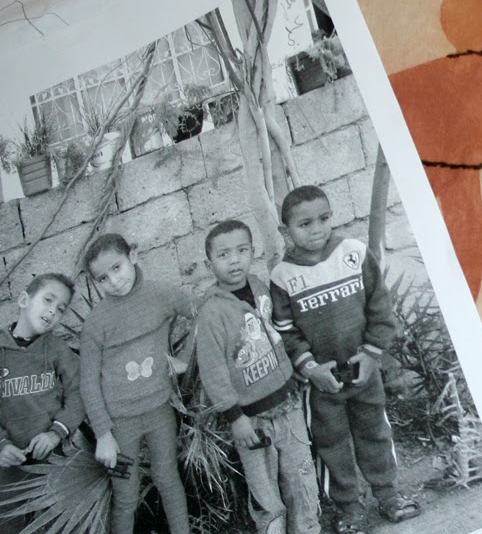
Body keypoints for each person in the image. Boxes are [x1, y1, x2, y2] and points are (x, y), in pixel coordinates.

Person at [269, 185, 418, 533]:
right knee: (331, 444)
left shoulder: (354, 253)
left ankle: (388, 494)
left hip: (364, 371)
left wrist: (371, 354)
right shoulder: (282, 276)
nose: (317, 229)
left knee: (375, 432)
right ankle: (349, 507)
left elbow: (379, 307)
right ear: (285, 231)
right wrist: (310, 368)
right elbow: (285, 331)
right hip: (323, 382)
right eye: (305, 224)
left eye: (324, 219)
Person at [389, 0, 482, 300]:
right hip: (443, 166)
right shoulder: (436, 68)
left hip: (463, 168)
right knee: (460, 234)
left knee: (468, 237)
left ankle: (466, 298)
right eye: (453, 23)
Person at [194, 219, 320, 534]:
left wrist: (291, 372)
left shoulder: (260, 287)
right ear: (210, 265)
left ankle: (307, 528)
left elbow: (275, 334)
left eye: (242, 250)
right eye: (223, 255)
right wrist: (235, 417)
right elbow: (213, 371)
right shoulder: (212, 312)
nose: (234, 260)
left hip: (287, 404)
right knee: (264, 489)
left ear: (253, 252)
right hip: (251, 419)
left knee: (301, 475)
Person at [80, 233, 193, 534]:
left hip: (160, 412)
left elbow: (200, 313)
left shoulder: (161, 294)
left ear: (133, 255)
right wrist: (103, 434)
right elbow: (88, 383)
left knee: (168, 479)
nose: (114, 281)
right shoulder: (96, 323)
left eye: (117, 268)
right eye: (103, 278)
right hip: (120, 425)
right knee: (126, 494)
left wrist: (185, 359)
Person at [0, 273, 84, 534]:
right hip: (8, 465)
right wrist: (1, 445)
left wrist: (55, 433)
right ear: (24, 300)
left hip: (52, 459)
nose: (52, 311)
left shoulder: (57, 348)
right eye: (48, 300)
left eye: (60, 309)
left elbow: (78, 393)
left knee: (55, 525)